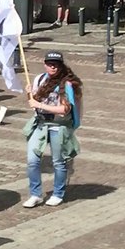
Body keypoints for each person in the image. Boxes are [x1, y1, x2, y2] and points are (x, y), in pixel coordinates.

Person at [22, 51, 82, 208]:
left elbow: (64, 109)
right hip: (40, 124)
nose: (52, 66)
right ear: (44, 64)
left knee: (58, 162)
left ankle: (58, 193)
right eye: (49, 63)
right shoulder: (40, 79)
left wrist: (40, 105)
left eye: (55, 64)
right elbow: (33, 102)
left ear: (61, 65)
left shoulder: (67, 84)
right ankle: (35, 194)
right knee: (32, 161)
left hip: (58, 125)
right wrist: (30, 94)